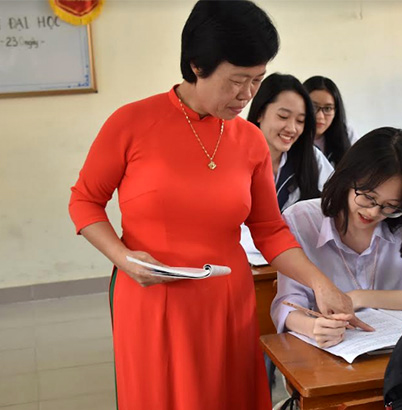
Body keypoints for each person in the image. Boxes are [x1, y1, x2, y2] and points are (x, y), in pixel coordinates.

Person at [68, 2, 363, 409]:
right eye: (236, 81)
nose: (246, 95)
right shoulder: (131, 123)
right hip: (151, 295)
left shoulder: (250, 140)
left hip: (226, 298)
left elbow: (269, 230)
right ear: (197, 65)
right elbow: (85, 201)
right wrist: (122, 257)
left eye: (256, 81)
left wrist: (320, 282)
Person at [271, 127, 402, 347]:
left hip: (397, 349)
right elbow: (288, 303)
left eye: (391, 207)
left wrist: (360, 298)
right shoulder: (301, 219)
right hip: (329, 350)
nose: (373, 213)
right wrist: (313, 328)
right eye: (368, 197)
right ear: (347, 177)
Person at [247, 73, 333, 211]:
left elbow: (338, 197)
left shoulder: (311, 157)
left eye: (300, 121)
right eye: (283, 116)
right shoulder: (233, 154)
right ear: (259, 113)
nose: (292, 129)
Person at [303, 75, 354, 164]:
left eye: (327, 109)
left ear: (336, 111)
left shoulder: (347, 133)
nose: (320, 116)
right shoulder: (290, 136)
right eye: (313, 107)